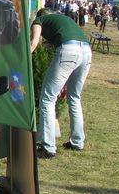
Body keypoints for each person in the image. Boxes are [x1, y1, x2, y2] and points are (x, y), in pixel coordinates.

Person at [30, 8, 92, 158]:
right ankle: (77, 141)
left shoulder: (39, 20)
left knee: (47, 99)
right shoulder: (63, 19)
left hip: (68, 50)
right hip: (87, 51)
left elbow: (33, 44)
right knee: (75, 98)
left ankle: (48, 147)